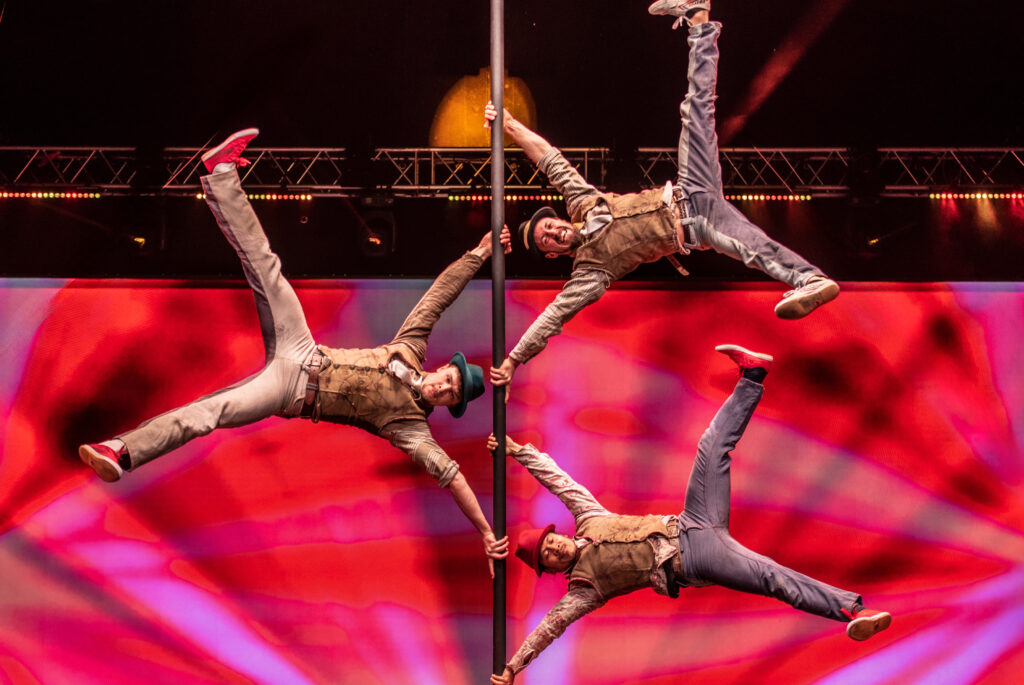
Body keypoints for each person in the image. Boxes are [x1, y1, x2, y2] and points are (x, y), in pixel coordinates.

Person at [78, 128, 511, 573]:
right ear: (444, 368)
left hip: (290, 390)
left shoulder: (411, 427)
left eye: (451, 394)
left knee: (209, 413)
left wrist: (484, 531)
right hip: (303, 347)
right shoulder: (412, 348)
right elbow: (438, 296)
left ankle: (119, 450)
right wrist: (479, 255)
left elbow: (452, 476)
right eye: (449, 379)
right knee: (266, 265)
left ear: (449, 405)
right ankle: (220, 174)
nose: (444, 387)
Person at [488, 344, 891, 683]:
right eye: (548, 555)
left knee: (711, 448)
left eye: (550, 541)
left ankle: (752, 376)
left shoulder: (588, 518)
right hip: (696, 558)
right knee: (771, 577)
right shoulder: (584, 589)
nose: (554, 548)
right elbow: (549, 629)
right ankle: (853, 610)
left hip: (691, 519)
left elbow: (560, 481)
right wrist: (512, 667)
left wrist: (517, 452)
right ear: (551, 569)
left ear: (556, 534)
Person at [486, 1, 840, 388]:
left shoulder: (582, 203)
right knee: (752, 249)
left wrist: (510, 125)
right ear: (553, 253)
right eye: (547, 240)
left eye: (549, 226)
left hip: (690, 185)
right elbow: (553, 317)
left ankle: (699, 19)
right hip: (698, 224)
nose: (554, 232)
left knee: (695, 109)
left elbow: (550, 160)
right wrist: (515, 359)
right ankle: (809, 278)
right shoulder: (590, 270)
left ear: (558, 219)